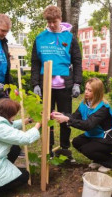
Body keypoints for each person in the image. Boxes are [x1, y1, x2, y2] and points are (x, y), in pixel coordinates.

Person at [31, 5, 82, 158]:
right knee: (47, 118)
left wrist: (77, 83)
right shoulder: (40, 38)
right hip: (45, 87)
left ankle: (65, 148)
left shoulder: (69, 38)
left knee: (65, 117)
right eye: (49, 21)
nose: (52, 24)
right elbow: (35, 62)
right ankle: (49, 148)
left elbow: (77, 61)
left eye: (55, 21)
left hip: (64, 87)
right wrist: (35, 84)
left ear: (60, 19)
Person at [51, 78, 112, 173]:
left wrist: (68, 119)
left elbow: (88, 125)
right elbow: (74, 117)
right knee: (76, 142)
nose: (86, 92)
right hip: (94, 135)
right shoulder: (85, 103)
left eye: (90, 90)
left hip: (109, 139)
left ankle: (110, 161)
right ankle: (98, 160)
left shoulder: (103, 108)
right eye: (86, 89)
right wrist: (62, 115)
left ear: (97, 92)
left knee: (87, 149)